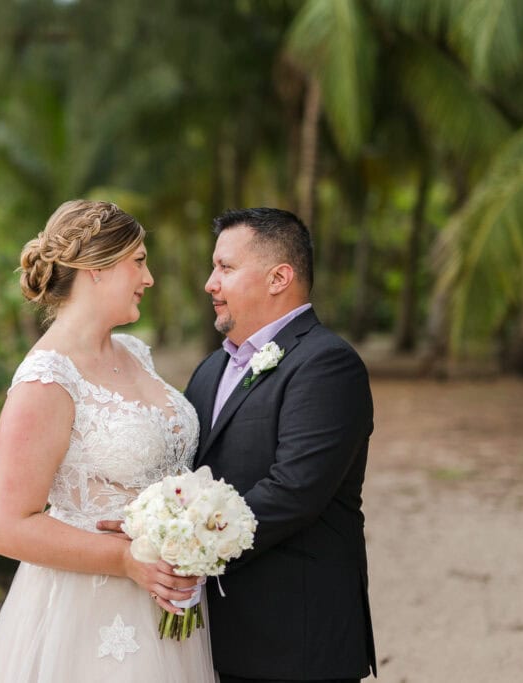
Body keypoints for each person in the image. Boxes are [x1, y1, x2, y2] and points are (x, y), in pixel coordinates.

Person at [0, 200, 216, 682]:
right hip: (88, 613)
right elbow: (5, 526)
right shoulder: (47, 379)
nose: (149, 279)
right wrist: (125, 559)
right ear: (97, 269)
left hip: (165, 608)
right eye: (139, 262)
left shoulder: (135, 353)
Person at [183, 207, 377, 682]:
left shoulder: (327, 364)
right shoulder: (210, 370)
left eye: (225, 268)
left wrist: (183, 547)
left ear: (279, 277)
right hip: (213, 639)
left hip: (295, 643)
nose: (210, 283)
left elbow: (294, 491)